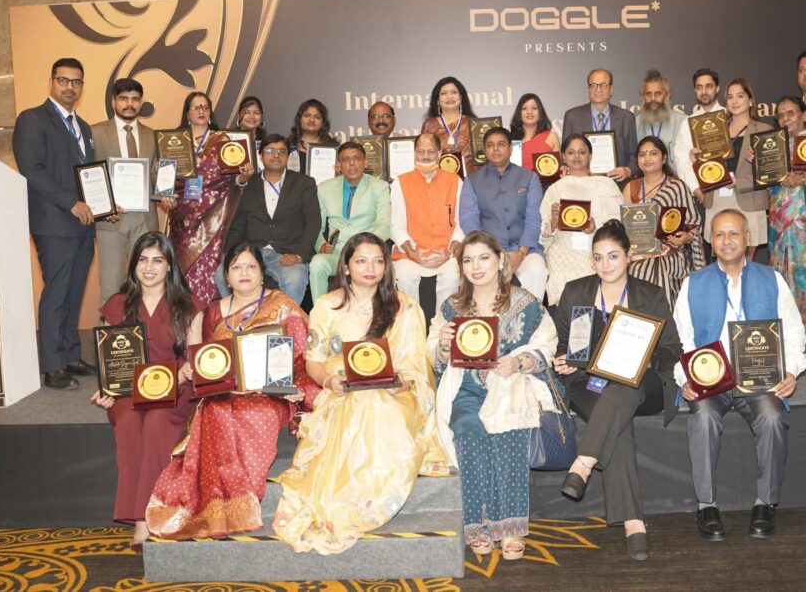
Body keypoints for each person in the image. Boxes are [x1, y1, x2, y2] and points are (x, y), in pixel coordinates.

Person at [274, 233, 449, 554]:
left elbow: (414, 365)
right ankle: (348, 498)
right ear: (346, 266)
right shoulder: (327, 306)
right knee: (359, 403)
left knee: (379, 403)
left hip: (396, 392)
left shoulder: (404, 307)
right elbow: (314, 362)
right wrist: (329, 382)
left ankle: (368, 500)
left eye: (378, 261)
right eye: (361, 261)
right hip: (343, 390)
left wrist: (399, 383)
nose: (371, 268)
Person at [146, 242, 320, 539]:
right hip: (224, 392)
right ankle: (214, 508)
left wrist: (296, 389)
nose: (244, 272)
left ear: (262, 273)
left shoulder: (282, 305)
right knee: (214, 411)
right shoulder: (212, 313)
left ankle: (239, 506)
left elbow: (305, 355)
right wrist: (195, 372)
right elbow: (203, 362)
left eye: (251, 266)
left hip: (270, 394)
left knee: (257, 414)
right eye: (236, 267)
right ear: (226, 276)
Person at [673, 209, 806, 540]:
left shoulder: (772, 279)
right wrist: (684, 378)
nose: (727, 240)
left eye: (734, 233)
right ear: (710, 241)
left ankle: (765, 503)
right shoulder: (693, 283)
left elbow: (793, 331)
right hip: (711, 380)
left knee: (772, 418)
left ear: (748, 238)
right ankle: (706, 504)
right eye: (719, 234)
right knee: (703, 417)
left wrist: (791, 370)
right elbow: (680, 340)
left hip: (759, 377)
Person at [552, 220, 682, 561]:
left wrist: (643, 358)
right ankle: (634, 523)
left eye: (613, 256)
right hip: (588, 383)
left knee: (624, 383)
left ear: (629, 256)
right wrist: (565, 361)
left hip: (644, 384)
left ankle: (584, 462)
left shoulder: (650, 295)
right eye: (598, 258)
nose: (605, 265)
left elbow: (673, 348)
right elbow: (563, 344)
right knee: (617, 418)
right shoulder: (575, 291)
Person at [429, 231, 558, 560]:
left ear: (500, 260)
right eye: (468, 260)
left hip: (510, 386)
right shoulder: (452, 306)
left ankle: (510, 527)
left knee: (508, 427)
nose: (476, 266)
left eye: (483, 258)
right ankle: (477, 525)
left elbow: (547, 343)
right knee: (468, 428)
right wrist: (442, 343)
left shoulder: (525, 303)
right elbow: (433, 353)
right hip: (466, 388)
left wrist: (519, 362)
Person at [90, 232, 205, 550]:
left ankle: (145, 519)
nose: (149, 267)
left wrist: (186, 371)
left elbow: (195, 359)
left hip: (176, 388)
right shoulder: (117, 305)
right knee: (128, 421)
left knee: (157, 421)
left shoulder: (189, 305)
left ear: (169, 267)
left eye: (157, 260)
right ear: (133, 265)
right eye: (142, 260)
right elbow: (111, 359)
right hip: (130, 390)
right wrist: (107, 388)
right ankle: (146, 514)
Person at [13, 57, 105, 390]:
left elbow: (87, 175)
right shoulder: (33, 119)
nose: (70, 87)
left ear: (82, 86)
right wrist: (71, 203)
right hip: (54, 223)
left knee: (74, 291)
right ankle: (52, 366)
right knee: (56, 294)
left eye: (76, 82)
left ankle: (69, 355)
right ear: (51, 81)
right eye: (63, 80)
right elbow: (32, 170)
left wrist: (104, 206)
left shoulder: (84, 127)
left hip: (83, 224)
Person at [167, 91, 255, 303]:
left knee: (208, 268)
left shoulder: (222, 140)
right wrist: (164, 196)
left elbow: (234, 179)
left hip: (214, 216)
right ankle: (185, 317)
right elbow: (164, 175)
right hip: (182, 216)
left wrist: (243, 177)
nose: (201, 111)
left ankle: (211, 318)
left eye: (205, 107)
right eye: (196, 107)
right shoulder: (174, 141)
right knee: (183, 267)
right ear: (187, 113)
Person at [91, 78, 174, 302]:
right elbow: (90, 176)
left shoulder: (152, 135)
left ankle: (147, 326)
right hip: (111, 220)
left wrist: (166, 194)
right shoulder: (95, 133)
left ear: (141, 102)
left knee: (150, 285)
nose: (130, 104)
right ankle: (112, 326)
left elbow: (156, 175)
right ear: (113, 101)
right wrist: (105, 205)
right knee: (112, 288)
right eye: (124, 98)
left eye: (135, 99)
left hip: (145, 220)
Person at [762, 96, 806, 355]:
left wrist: (802, 178)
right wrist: (757, 162)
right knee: (781, 280)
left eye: (791, 113)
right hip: (777, 223)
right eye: (780, 114)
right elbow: (765, 183)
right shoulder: (771, 146)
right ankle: (788, 340)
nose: (785, 118)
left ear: (803, 114)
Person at [219, 133, 321, 305]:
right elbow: (238, 224)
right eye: (270, 151)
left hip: (286, 253)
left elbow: (313, 222)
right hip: (252, 253)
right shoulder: (249, 184)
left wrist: (299, 255)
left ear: (288, 155)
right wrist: (229, 252)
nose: (276, 155)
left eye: (281, 151)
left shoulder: (304, 183)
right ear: (260, 155)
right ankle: (241, 318)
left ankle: (285, 321)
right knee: (221, 273)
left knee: (295, 278)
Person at [459, 127, 547, 301]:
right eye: (490, 145)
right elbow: (469, 219)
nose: (496, 149)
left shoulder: (529, 177)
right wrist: (489, 251)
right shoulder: (472, 181)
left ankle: (530, 314)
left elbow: (533, 218)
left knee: (536, 268)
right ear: (485, 150)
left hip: (525, 249)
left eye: (501, 144)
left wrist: (521, 253)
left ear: (511, 148)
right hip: (487, 250)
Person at [538, 134, 623, 304]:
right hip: (562, 249)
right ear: (563, 156)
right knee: (556, 262)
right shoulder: (555, 189)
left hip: (597, 247)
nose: (576, 156)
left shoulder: (606, 184)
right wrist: (554, 220)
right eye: (571, 152)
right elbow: (542, 237)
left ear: (590, 156)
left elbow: (620, 224)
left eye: (582, 152)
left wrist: (596, 228)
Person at [621, 137, 704, 308]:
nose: (647, 158)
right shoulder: (631, 187)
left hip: (671, 252)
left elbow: (693, 225)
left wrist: (686, 237)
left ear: (664, 158)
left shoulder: (677, 186)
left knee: (657, 272)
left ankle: (663, 321)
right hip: (637, 253)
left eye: (653, 153)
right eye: (642, 154)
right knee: (634, 271)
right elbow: (623, 226)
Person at [693, 78, 769, 258]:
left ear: (750, 100)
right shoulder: (714, 129)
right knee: (722, 258)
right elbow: (708, 168)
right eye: (730, 97)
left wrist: (739, 182)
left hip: (748, 200)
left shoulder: (763, 130)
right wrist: (696, 160)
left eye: (740, 96)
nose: (734, 101)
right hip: (718, 198)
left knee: (746, 261)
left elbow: (769, 174)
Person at [391, 134, 464, 316]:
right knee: (405, 276)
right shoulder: (400, 182)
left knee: (453, 275)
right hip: (411, 254)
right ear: (414, 153)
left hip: (445, 253)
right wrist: (412, 253)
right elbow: (396, 225)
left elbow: (461, 224)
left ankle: (442, 326)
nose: (425, 156)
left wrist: (449, 252)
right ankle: (411, 325)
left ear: (439, 153)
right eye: (420, 151)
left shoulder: (455, 181)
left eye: (430, 151)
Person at [309, 141, 391, 297]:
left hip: (366, 254)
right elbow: (315, 225)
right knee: (317, 263)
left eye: (356, 158)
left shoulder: (379, 186)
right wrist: (320, 244)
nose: (351, 163)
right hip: (336, 254)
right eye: (345, 159)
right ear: (339, 165)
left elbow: (384, 224)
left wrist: (366, 246)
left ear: (365, 162)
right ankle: (319, 311)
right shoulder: (324, 188)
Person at [561, 68, 637, 182]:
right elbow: (565, 153)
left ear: (611, 89)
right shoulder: (572, 117)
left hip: (617, 183)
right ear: (588, 89)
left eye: (604, 85)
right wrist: (566, 168)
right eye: (593, 85)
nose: (598, 89)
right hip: (583, 182)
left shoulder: (627, 118)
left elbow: (634, 155)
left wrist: (628, 170)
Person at [673, 68, 724, 200]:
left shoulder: (729, 116)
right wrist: (698, 191)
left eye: (709, 86)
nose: (704, 92)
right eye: (699, 87)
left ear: (717, 89)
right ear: (695, 91)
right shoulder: (688, 123)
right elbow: (682, 162)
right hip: (703, 192)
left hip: (732, 189)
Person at [636, 70, 688, 178]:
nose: (653, 99)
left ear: (667, 95)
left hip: (676, 181)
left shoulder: (683, 122)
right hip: (645, 182)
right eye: (648, 94)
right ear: (643, 96)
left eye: (658, 93)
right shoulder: (635, 123)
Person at [420, 77, 477, 171]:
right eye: (444, 93)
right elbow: (424, 156)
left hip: (471, 178)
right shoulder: (429, 124)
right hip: (439, 177)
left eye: (454, 92)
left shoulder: (473, 123)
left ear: (461, 97)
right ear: (437, 100)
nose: (449, 96)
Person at [510, 92, 560, 169]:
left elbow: (557, 169)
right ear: (519, 113)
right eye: (524, 108)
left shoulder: (551, 137)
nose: (529, 112)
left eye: (534, 108)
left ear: (540, 113)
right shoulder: (510, 139)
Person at [288, 99, 337, 174]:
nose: (312, 120)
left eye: (317, 117)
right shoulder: (287, 146)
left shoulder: (333, 147)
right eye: (307, 116)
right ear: (299, 119)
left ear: (323, 122)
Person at [358, 101, 395, 179]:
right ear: (368, 122)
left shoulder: (408, 144)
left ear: (394, 120)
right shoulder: (359, 147)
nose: (381, 121)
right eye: (375, 117)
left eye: (386, 116)